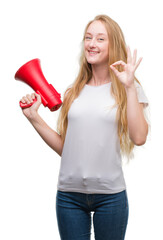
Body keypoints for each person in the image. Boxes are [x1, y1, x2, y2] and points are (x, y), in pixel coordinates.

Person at [20, 14, 149, 240]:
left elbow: (139, 137)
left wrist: (129, 87)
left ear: (113, 45)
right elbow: (66, 148)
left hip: (110, 196)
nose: (91, 44)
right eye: (88, 38)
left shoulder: (128, 88)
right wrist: (34, 117)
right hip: (68, 196)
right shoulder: (74, 91)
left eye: (100, 39)